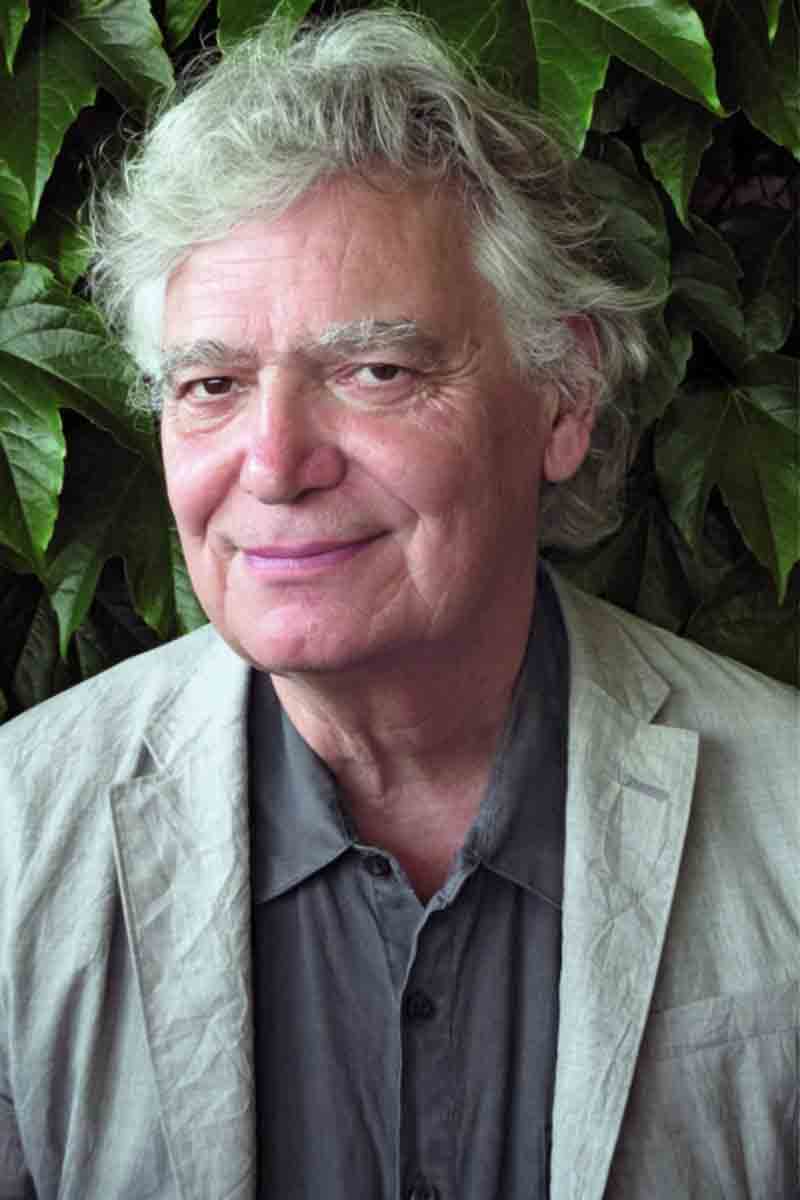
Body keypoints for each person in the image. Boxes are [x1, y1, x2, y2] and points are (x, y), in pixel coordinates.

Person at [0, 11, 796, 1200]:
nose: (275, 464)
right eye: (211, 384)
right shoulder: (17, 839)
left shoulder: (785, 813)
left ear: (563, 396)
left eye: (375, 371)